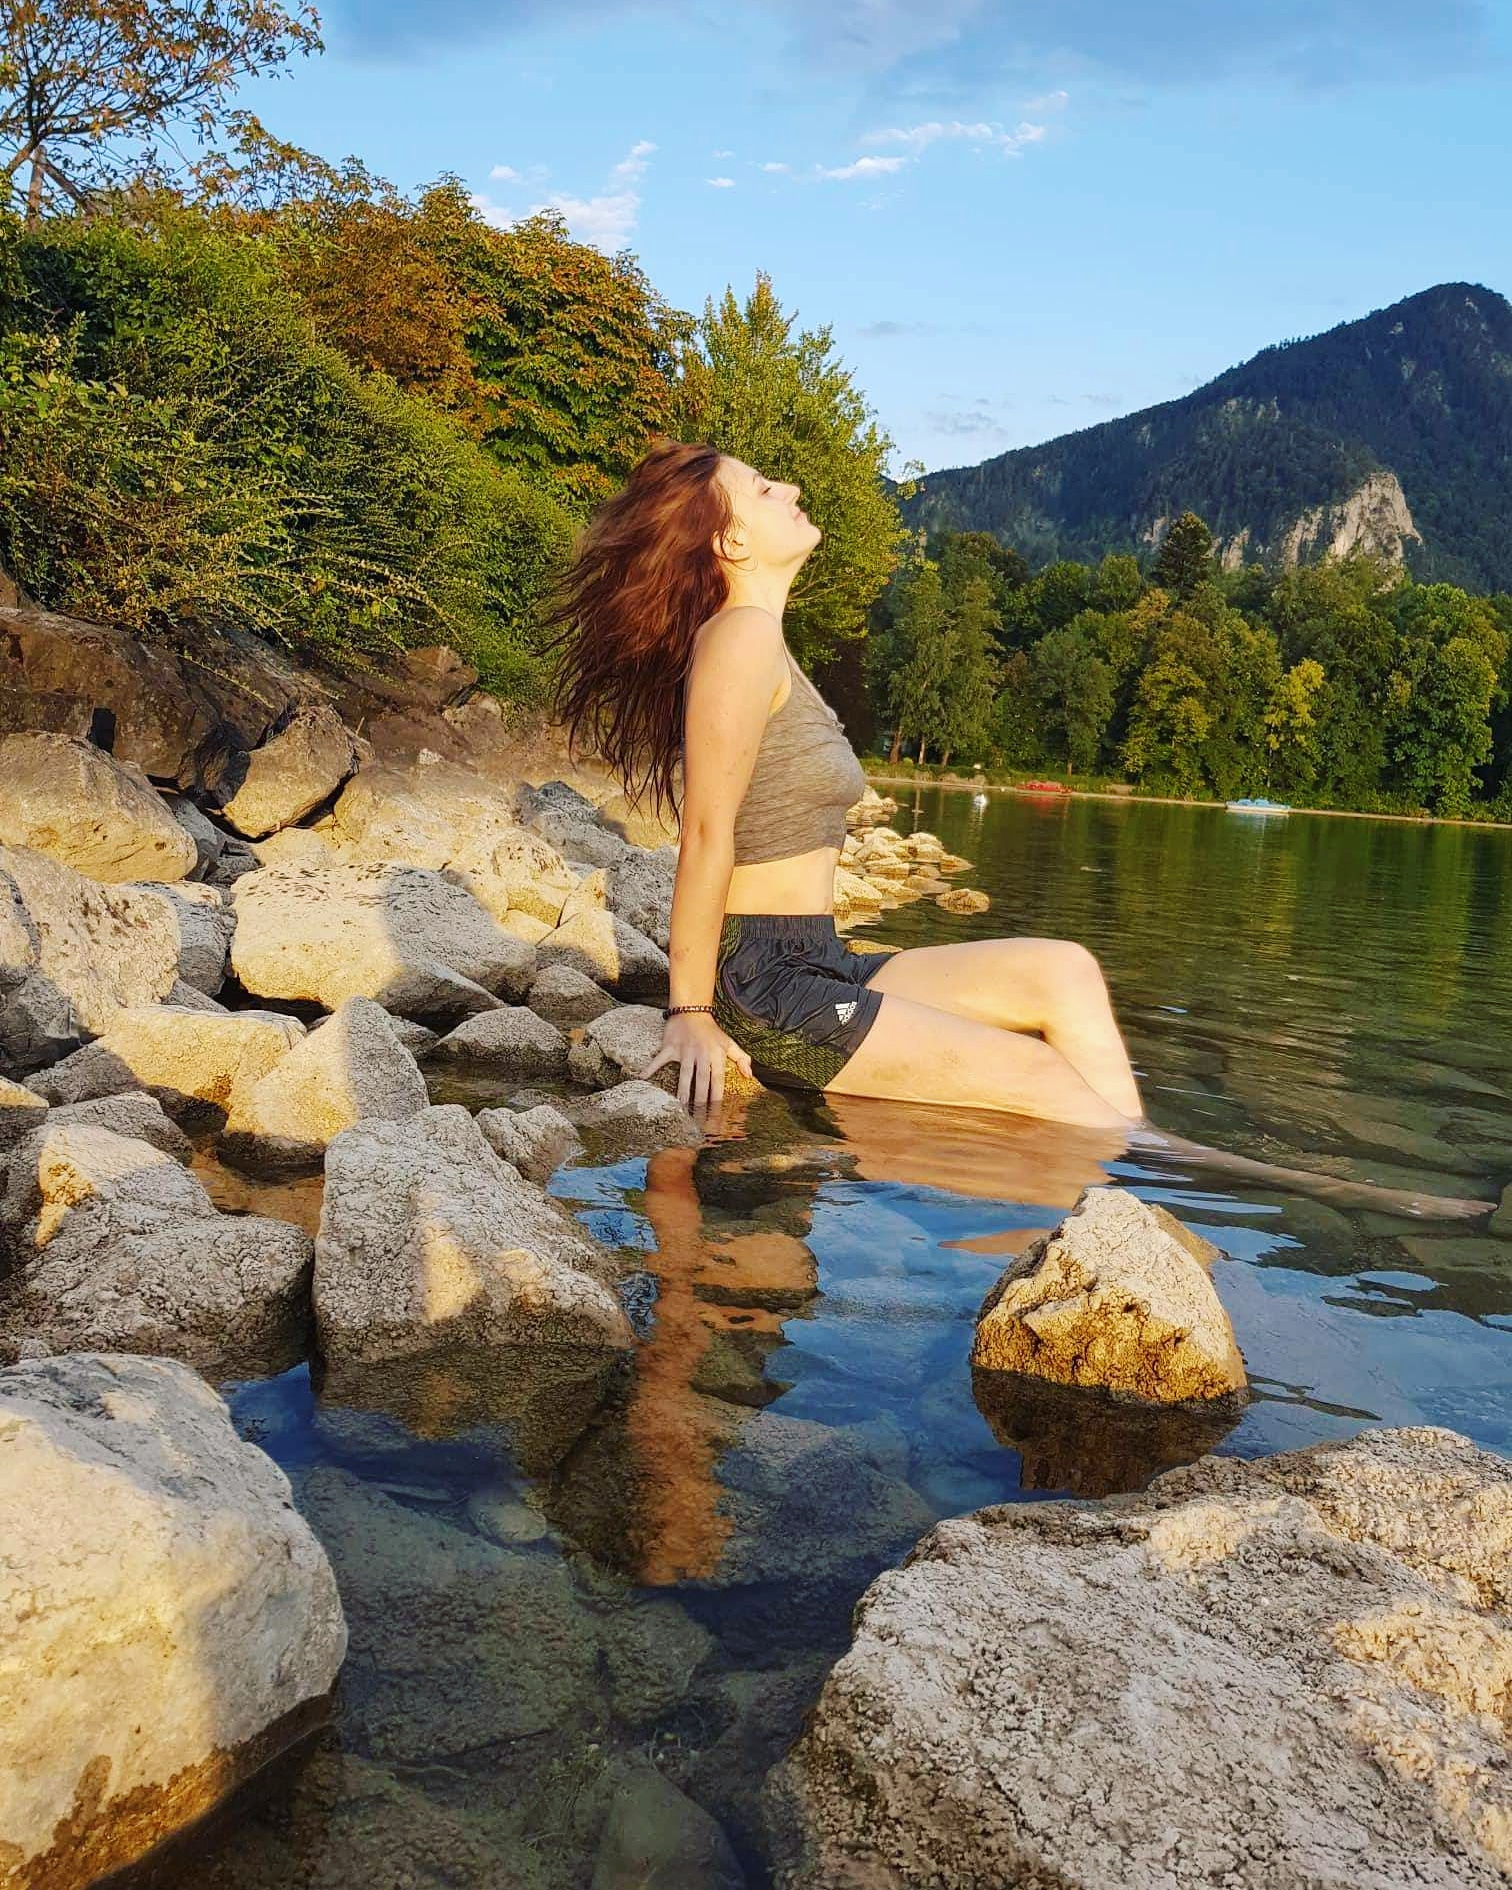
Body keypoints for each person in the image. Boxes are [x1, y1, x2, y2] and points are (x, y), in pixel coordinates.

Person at [545, 439, 1494, 1221]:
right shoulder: (739, 638)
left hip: (816, 960)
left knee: (1063, 971)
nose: (788, 487)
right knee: (1048, 1086)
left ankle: (1140, 1176)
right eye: (761, 489)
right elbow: (706, 837)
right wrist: (691, 1014)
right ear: (730, 541)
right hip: (768, 983)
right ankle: (1226, 1193)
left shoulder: (766, 642)